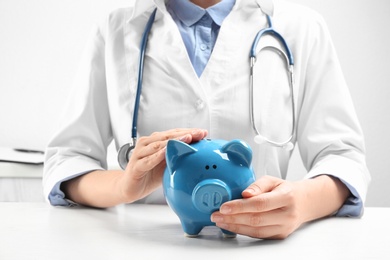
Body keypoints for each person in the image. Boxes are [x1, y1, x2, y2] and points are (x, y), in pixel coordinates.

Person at [43, 0, 371, 240]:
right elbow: (68, 160)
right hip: (143, 244)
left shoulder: (301, 27)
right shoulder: (117, 29)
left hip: (258, 247)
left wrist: (303, 202)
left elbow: (342, 157)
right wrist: (121, 185)